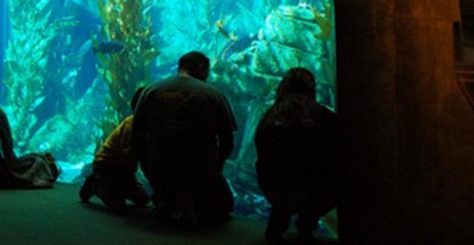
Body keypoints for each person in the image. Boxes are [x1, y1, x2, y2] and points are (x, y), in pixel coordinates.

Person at [131, 50, 236, 226]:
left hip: (159, 167)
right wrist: (216, 168)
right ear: (201, 68)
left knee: (171, 185)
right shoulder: (213, 95)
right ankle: (185, 201)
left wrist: (147, 166)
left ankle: (169, 199)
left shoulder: (151, 90)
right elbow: (227, 140)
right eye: (207, 71)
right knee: (224, 207)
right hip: (199, 169)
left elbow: (137, 134)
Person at [255, 67, 338, 244]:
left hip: (273, 186)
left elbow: (261, 150)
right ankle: (306, 225)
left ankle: (277, 222)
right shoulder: (324, 116)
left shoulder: (270, 117)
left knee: (287, 187)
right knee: (311, 182)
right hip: (313, 190)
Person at [78, 114, 149, 211]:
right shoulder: (131, 125)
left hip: (124, 170)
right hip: (106, 165)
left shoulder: (147, 124)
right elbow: (127, 153)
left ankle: (115, 188)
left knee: (143, 200)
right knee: (118, 206)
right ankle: (94, 185)